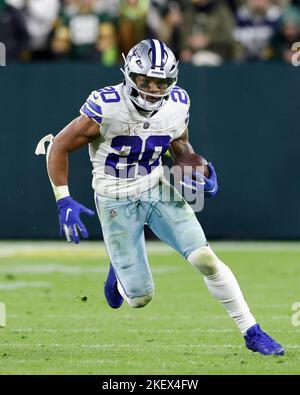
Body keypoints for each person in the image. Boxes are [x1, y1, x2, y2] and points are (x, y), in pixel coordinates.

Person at [36, 38, 284, 356]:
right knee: (139, 298)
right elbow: (59, 145)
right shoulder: (107, 104)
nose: (154, 88)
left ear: (172, 80)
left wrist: (198, 168)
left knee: (205, 258)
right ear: (130, 75)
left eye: (161, 81)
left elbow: (178, 145)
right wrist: (62, 198)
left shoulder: (178, 103)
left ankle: (251, 331)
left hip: (155, 187)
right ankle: (119, 266)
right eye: (146, 80)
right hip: (114, 199)